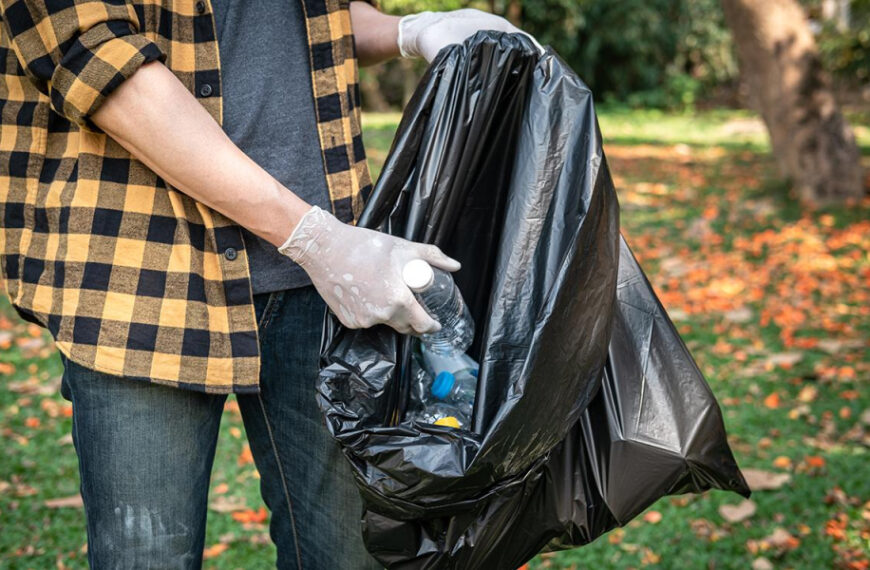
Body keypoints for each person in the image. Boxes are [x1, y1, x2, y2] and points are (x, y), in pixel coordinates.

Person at [0, 0, 538, 567]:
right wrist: (315, 239)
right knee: (147, 555)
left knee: (348, 556)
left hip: (328, 288)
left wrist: (407, 30)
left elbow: (319, 22)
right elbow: (95, 57)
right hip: (142, 279)